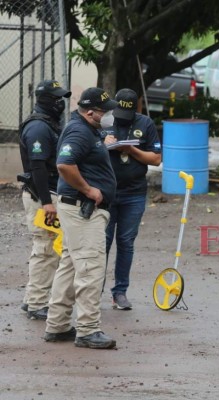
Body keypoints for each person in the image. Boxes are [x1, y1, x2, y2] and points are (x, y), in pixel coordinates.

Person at [44, 87, 118, 349]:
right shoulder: (79, 131)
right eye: (104, 111)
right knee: (90, 266)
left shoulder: (88, 129)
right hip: (82, 208)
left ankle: (58, 324)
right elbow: (64, 164)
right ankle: (87, 330)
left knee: (71, 265)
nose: (108, 115)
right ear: (90, 112)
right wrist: (88, 189)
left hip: (78, 208)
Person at [103, 88, 162, 310]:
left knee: (126, 243)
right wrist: (103, 143)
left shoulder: (145, 123)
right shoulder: (104, 121)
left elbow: (156, 159)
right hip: (106, 193)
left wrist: (130, 149)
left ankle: (120, 292)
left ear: (136, 108)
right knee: (103, 243)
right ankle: (94, 290)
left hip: (134, 193)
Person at [18, 79, 71, 320]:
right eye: (58, 98)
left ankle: (33, 299)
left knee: (48, 248)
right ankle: (37, 302)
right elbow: (38, 167)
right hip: (42, 196)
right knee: (46, 249)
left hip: (47, 194)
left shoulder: (49, 124)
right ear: (47, 100)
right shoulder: (38, 128)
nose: (61, 102)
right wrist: (48, 203)